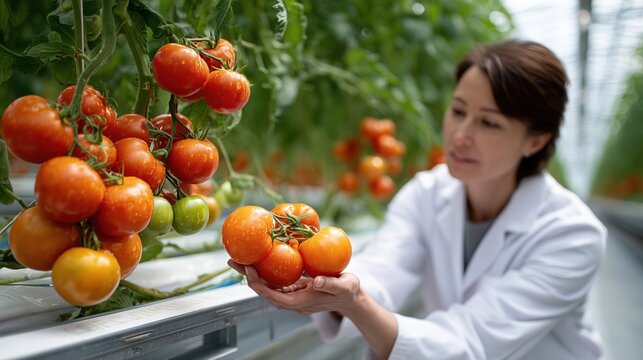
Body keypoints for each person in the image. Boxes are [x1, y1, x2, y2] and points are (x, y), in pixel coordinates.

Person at [229, 39, 607, 359]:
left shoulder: (572, 235)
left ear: (536, 140)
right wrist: (326, 282)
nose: (460, 134)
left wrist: (353, 302)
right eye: (458, 110)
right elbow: (385, 266)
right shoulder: (428, 192)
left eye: (488, 123)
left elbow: (470, 342)